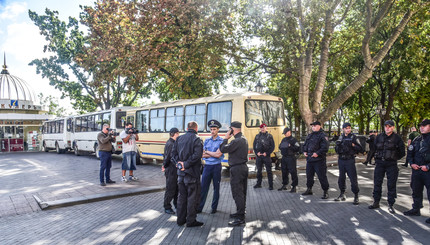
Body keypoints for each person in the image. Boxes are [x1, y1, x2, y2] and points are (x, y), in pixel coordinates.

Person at [368, 120, 405, 214]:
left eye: (389, 126)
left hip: (391, 164)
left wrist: (393, 157)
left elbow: (402, 152)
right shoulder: (379, 137)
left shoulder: (397, 138)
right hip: (380, 163)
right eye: (386, 126)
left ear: (393, 127)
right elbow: (374, 148)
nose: (387, 128)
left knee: (391, 185)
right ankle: (376, 202)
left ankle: (391, 204)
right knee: (377, 183)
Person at [172, 121, 204, 227]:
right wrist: (186, 164)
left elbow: (173, 154)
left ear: (187, 128)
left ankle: (180, 220)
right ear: (196, 128)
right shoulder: (197, 138)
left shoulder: (179, 138)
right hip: (192, 174)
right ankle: (191, 221)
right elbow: (197, 155)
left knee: (181, 198)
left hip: (181, 174)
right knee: (192, 198)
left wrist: (179, 164)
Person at [220, 121, 249, 226]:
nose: (229, 131)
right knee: (242, 192)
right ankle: (240, 212)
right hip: (243, 168)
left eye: (230, 129)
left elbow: (222, 149)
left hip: (237, 169)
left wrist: (225, 138)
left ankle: (240, 218)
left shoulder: (236, 141)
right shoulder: (243, 139)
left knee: (237, 193)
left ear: (233, 129)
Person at [403, 119, 430, 224]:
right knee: (416, 190)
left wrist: (428, 166)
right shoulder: (416, 139)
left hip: (428, 171)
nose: (422, 127)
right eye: (421, 126)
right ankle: (416, 209)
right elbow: (410, 153)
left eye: (425, 125)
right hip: (417, 170)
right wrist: (411, 163)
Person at [197, 120, 224, 214]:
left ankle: (214, 208)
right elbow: (202, 155)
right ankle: (200, 208)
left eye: (214, 129)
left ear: (218, 130)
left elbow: (218, 155)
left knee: (216, 188)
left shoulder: (221, 141)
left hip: (216, 167)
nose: (212, 131)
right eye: (211, 129)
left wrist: (208, 152)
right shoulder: (207, 141)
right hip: (207, 167)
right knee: (203, 188)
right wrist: (213, 153)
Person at [334, 123, 363, 205]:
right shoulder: (341, 137)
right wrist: (338, 146)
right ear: (343, 129)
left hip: (350, 160)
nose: (348, 130)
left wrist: (353, 145)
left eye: (349, 128)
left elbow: (360, 149)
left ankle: (356, 196)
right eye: (346, 128)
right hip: (341, 160)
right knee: (341, 178)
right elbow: (337, 149)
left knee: (353, 179)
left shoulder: (354, 137)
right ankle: (342, 194)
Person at [302, 121, 330, 199]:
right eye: (312, 126)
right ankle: (309, 189)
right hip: (310, 159)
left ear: (319, 126)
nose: (313, 127)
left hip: (319, 160)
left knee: (322, 176)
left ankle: (325, 191)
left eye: (315, 126)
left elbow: (325, 147)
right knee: (309, 175)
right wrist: (304, 151)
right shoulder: (310, 135)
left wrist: (317, 153)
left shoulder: (323, 135)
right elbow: (305, 145)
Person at [162, 127, 180, 215]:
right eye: (178, 134)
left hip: (173, 169)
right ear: (174, 134)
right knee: (171, 188)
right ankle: (167, 206)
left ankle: (176, 204)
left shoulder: (172, 143)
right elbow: (168, 157)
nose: (178, 135)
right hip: (171, 169)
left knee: (176, 188)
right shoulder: (171, 144)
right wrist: (164, 166)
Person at [253, 123, 275, 190]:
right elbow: (254, 146)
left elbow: (272, 147)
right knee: (259, 171)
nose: (262, 129)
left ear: (266, 128)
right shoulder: (257, 136)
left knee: (269, 171)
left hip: (266, 156)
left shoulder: (269, 136)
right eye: (261, 128)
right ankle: (258, 183)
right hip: (259, 157)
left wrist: (267, 153)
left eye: (264, 128)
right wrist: (257, 153)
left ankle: (271, 185)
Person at [278, 127, 300, 192]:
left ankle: (294, 186)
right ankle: (284, 184)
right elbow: (280, 146)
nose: (285, 134)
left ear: (289, 132)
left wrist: (290, 146)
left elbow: (297, 148)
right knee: (284, 171)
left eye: (285, 133)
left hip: (291, 158)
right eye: (284, 133)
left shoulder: (293, 140)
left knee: (293, 172)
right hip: (284, 157)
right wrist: (283, 146)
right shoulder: (283, 139)